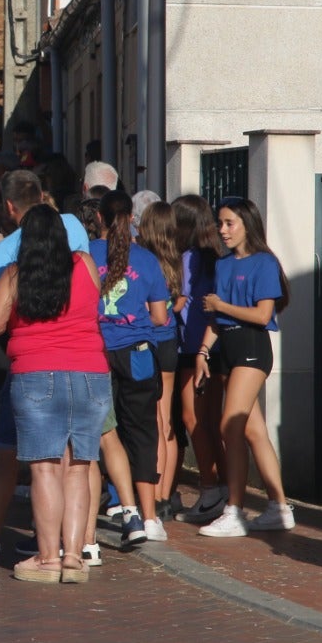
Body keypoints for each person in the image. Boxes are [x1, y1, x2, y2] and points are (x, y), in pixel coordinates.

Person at [0, 205, 108, 583]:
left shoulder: (15, 274)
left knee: (45, 468)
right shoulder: (84, 263)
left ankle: (48, 558)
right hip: (90, 373)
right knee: (79, 467)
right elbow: (92, 307)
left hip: (36, 373)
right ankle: (74, 557)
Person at [194, 197, 295, 537]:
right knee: (253, 431)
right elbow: (217, 319)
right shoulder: (223, 265)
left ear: (246, 224)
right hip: (228, 349)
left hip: (252, 348)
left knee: (229, 425)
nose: (222, 230)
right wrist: (203, 352)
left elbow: (263, 315)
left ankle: (234, 510)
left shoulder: (264, 263)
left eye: (229, 223)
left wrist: (222, 305)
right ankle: (279, 508)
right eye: (219, 223)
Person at [90, 190, 171, 545]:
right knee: (142, 432)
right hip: (138, 353)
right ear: (131, 220)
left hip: (97, 353)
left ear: (100, 219)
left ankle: (108, 511)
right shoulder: (148, 260)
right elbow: (160, 316)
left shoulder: (88, 255)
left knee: (101, 434)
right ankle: (150, 517)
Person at [171, 194, 228, 524]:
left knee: (193, 420)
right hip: (214, 347)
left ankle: (209, 489)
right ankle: (220, 488)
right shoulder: (214, 257)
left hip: (193, 349)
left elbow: (179, 302)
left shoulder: (188, 259)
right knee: (211, 423)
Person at [136, 200, 189, 517]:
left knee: (152, 421)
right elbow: (180, 302)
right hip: (170, 340)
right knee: (167, 419)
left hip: (149, 341)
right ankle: (165, 494)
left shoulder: (145, 262)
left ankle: (152, 496)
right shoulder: (177, 261)